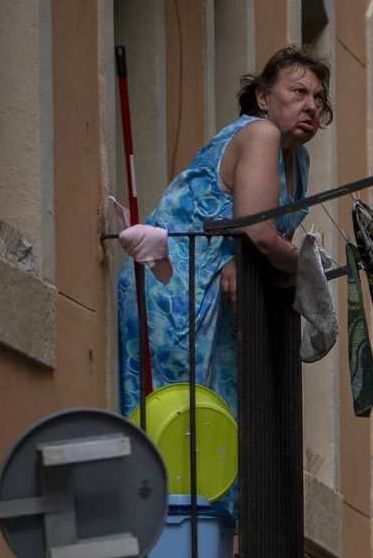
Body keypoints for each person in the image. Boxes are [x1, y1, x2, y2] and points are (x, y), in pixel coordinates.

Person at [116, 45, 330, 427]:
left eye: (319, 97)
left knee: (213, 431)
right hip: (179, 288)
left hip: (221, 298)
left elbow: (262, 243)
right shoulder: (260, 133)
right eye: (299, 92)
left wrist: (258, 262)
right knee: (175, 426)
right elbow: (258, 231)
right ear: (263, 98)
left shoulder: (299, 158)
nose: (311, 105)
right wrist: (307, 265)